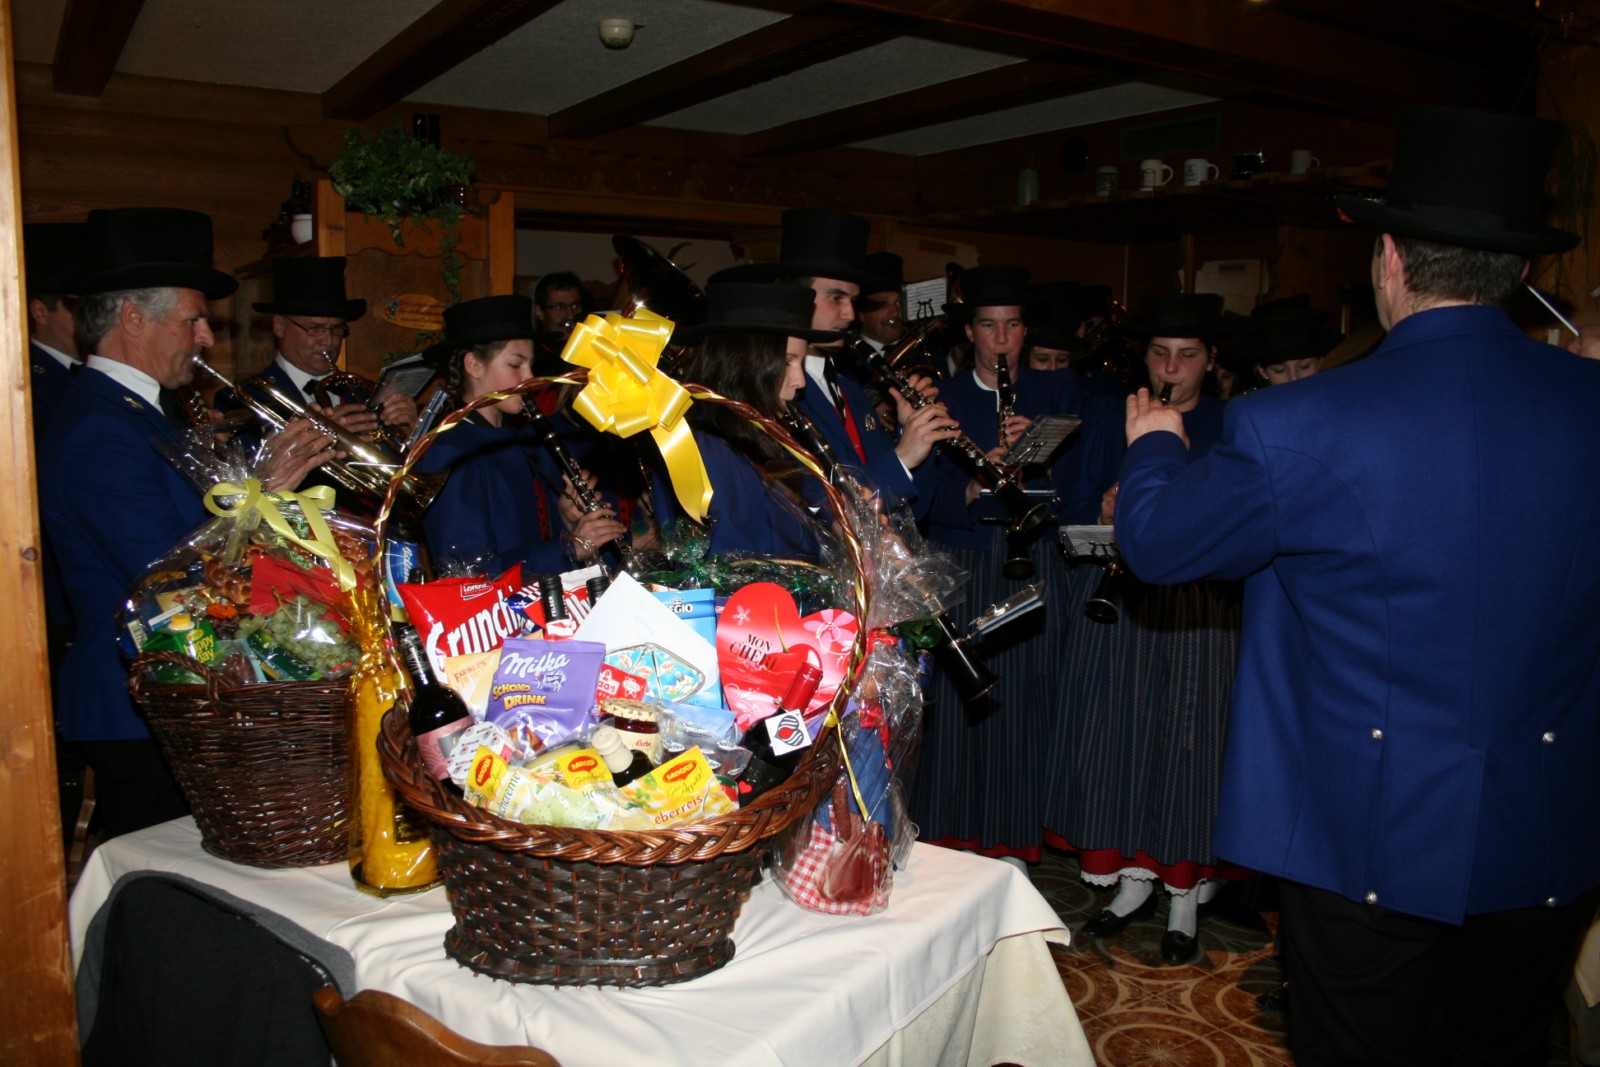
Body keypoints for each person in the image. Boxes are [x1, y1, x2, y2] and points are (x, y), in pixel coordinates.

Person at [1114, 106, 1600, 1064]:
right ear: (1519, 273)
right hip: (1547, 824)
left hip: (1361, 827)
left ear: (1389, 260)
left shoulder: (1298, 421)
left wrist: (1155, 447)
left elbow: (1160, 546)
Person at [39, 207, 330, 838]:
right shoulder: (100, 428)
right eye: (192, 319)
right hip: (139, 694)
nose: (204, 338)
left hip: (169, 688)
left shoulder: (136, 412)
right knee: (154, 867)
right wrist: (264, 494)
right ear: (133, 318)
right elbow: (164, 575)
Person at [1045, 292, 1244, 966]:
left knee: (1189, 744)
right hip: (1123, 596)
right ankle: (1131, 882)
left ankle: (1185, 898)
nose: (1172, 368)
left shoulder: (1231, 423)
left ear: (1211, 361)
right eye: (1161, 354)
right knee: (1120, 737)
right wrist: (1102, 504)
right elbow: (1071, 498)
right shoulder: (1113, 414)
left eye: (1187, 356)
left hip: (1199, 607)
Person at [914, 264, 1082, 865]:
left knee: (1025, 699)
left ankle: (1014, 840)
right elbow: (920, 495)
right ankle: (952, 836)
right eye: (989, 326)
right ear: (970, 332)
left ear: (1025, 331)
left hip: (1029, 557)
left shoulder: (1058, 395)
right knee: (960, 702)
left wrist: (1042, 460)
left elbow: (1082, 488)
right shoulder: (945, 398)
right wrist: (972, 483)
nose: (1002, 339)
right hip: (963, 557)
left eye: (1012, 326)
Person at [714, 209, 958, 517]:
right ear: (797, 297)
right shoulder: (774, 395)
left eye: (853, 301)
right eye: (836, 298)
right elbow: (813, 511)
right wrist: (902, 458)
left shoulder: (850, 388)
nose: (850, 315)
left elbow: (913, 514)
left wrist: (912, 432)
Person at [412, 295, 623, 578]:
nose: (529, 378)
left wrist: (566, 521)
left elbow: (527, 540)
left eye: (531, 365)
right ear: (474, 365)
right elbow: (467, 573)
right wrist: (570, 548)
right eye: (515, 365)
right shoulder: (450, 451)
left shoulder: (518, 439)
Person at [653, 283, 840, 556]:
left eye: (800, 363)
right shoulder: (701, 451)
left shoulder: (759, 435)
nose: (800, 381)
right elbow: (725, 565)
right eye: (787, 362)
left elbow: (803, 511)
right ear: (743, 364)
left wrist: (837, 518)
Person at [226, 256, 419, 444]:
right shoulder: (245, 398)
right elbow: (245, 462)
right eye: (316, 328)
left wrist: (412, 433)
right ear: (279, 326)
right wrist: (320, 441)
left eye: (337, 328)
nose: (329, 340)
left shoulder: (367, 393)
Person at [1237, 294, 1341, 388]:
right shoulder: (1249, 403)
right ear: (1263, 371)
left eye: (1304, 366)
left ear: (1320, 362)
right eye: (1279, 371)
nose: (1294, 378)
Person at [853, 251, 909, 356]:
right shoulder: (842, 359)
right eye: (883, 303)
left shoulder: (927, 355)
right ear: (861, 313)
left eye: (899, 303)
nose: (895, 313)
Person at [532, 270, 587, 376]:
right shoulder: (534, 357)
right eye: (560, 307)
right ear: (540, 312)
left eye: (575, 306)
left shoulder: (589, 345)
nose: (570, 315)